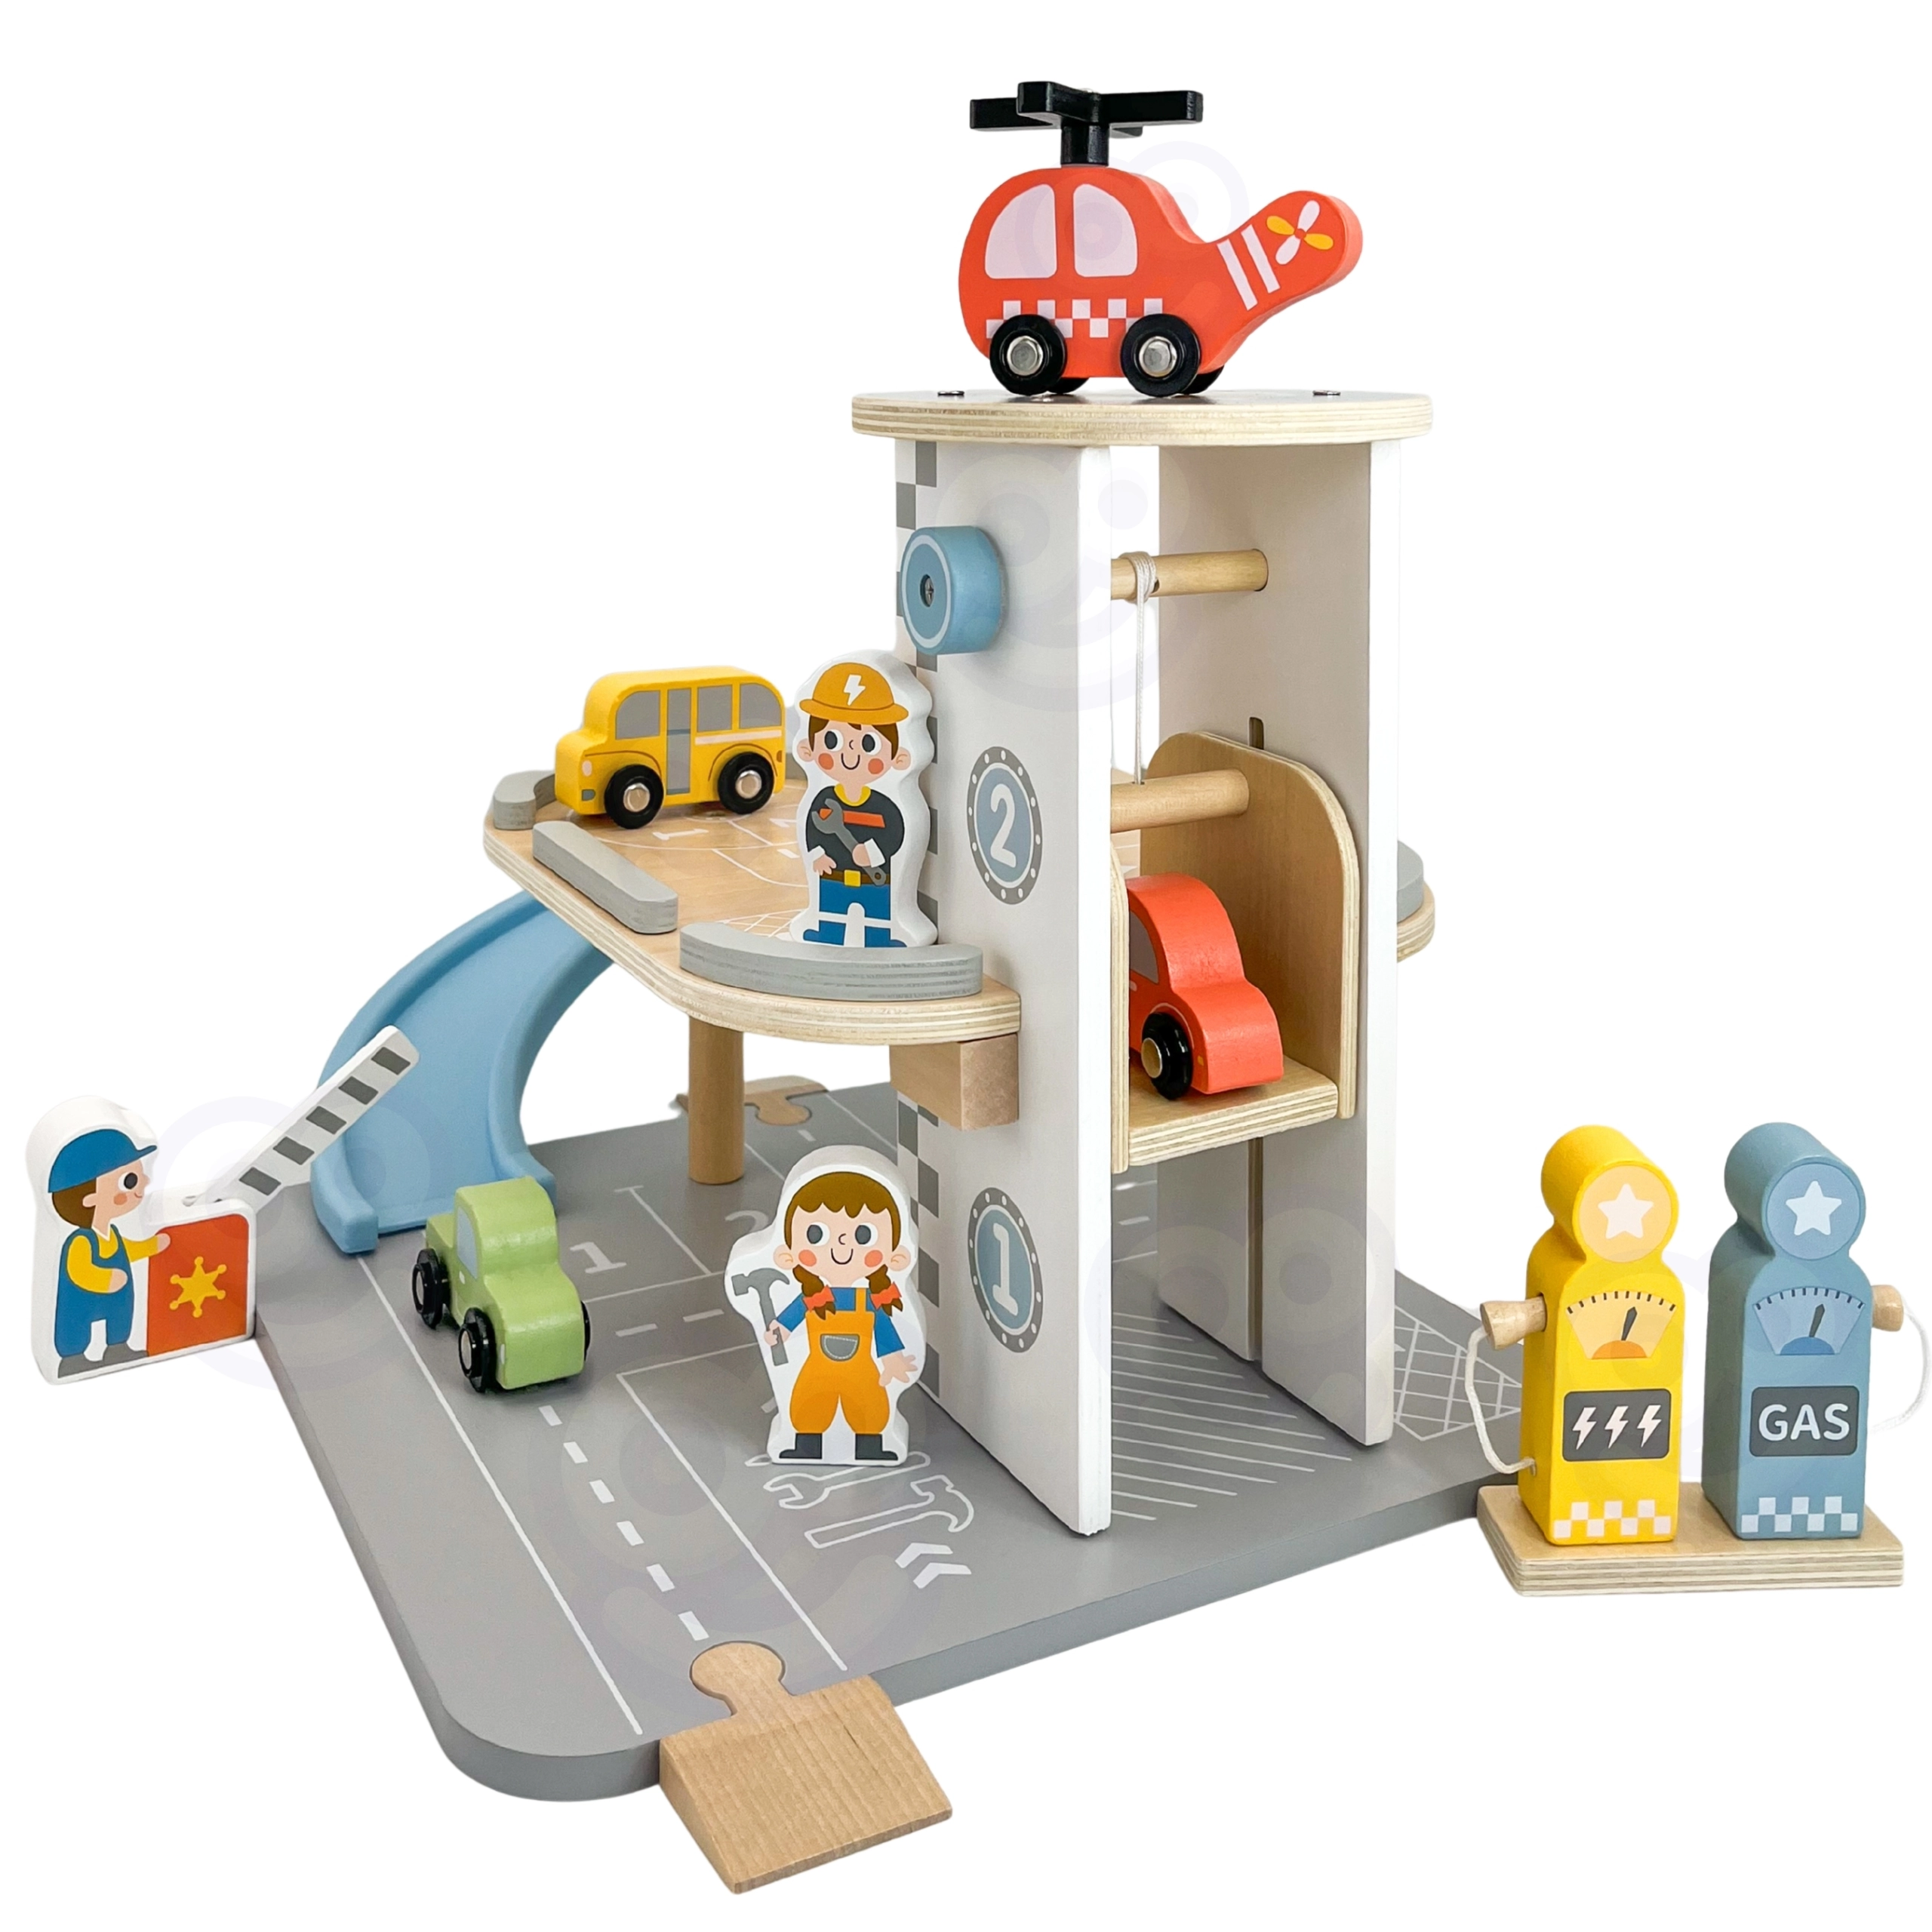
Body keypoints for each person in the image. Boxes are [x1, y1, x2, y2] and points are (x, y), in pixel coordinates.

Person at [764, 1168, 916, 1460]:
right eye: (816, 1234)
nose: (842, 1244)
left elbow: (883, 1330)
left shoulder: (869, 1300)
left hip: (862, 1370)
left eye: (864, 1235)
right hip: (817, 1368)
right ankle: (806, 1444)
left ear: (895, 1255)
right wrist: (779, 1330)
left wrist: (892, 1359)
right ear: (789, 1252)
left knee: (870, 1405)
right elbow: (790, 1319)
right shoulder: (811, 1298)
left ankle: (871, 1445)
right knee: (808, 1403)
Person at [794, 660, 915, 948]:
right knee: (831, 918)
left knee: (876, 921)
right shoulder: (824, 800)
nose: (851, 753)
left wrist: (872, 853)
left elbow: (896, 834)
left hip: (875, 881)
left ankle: (883, 939)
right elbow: (812, 831)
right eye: (832, 740)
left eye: (869, 744)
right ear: (808, 749)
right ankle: (825, 934)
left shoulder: (885, 805)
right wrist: (817, 856)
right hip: (833, 877)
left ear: (899, 757)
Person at [46, 1124, 171, 1374]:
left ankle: (117, 1346)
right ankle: (73, 1357)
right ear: (89, 1199)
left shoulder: (112, 1233)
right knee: (75, 1324)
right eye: (130, 1181)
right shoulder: (81, 1241)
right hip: (82, 1300)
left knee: (120, 1315)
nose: (145, 1182)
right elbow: (79, 1271)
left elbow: (126, 1251)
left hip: (116, 1297)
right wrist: (105, 1279)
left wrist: (150, 1247)